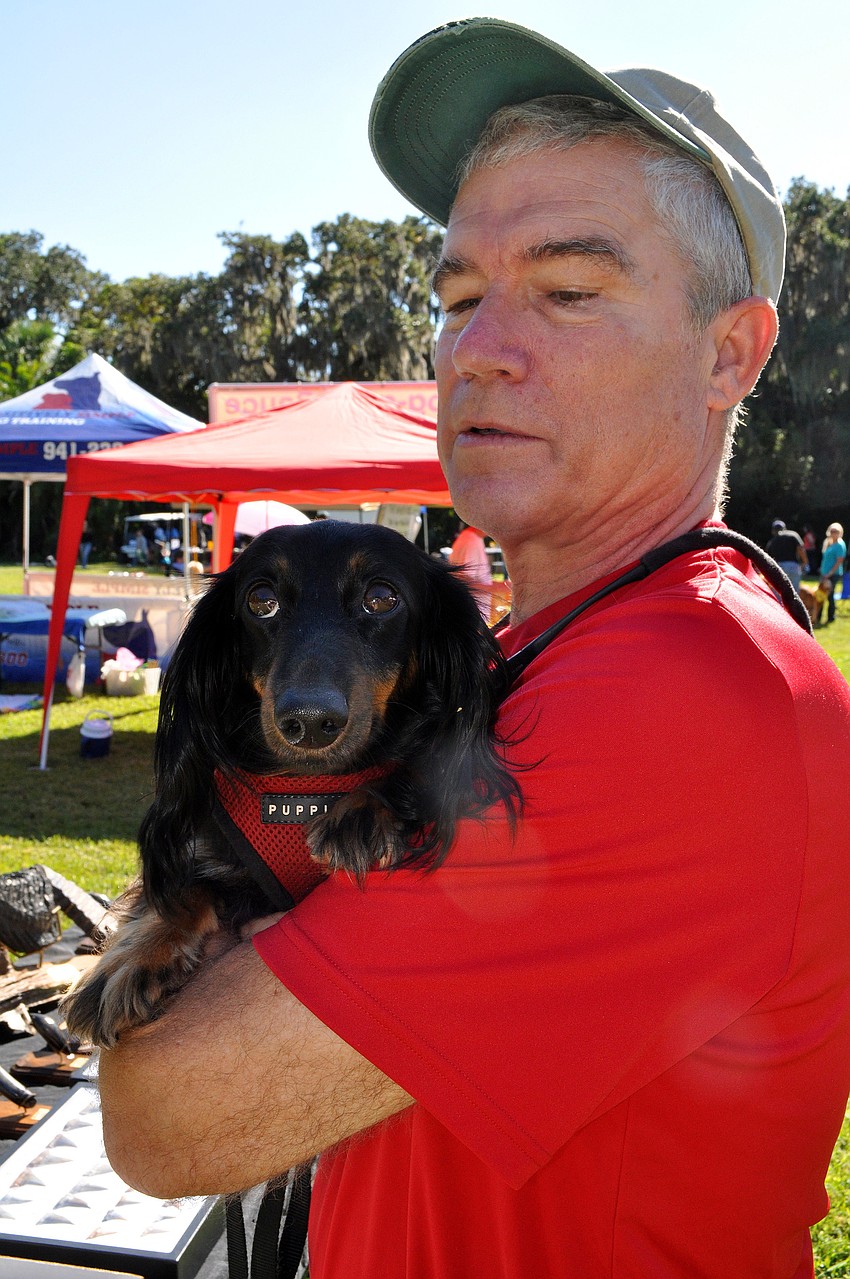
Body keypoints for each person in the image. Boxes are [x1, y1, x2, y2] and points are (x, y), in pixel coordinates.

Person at [98, 19, 850, 1279]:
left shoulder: (687, 692)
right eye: (456, 296)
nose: (477, 352)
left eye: (566, 289)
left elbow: (166, 1116)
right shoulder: (528, 656)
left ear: (730, 352)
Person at [448, 519, 493, 617]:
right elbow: (465, 582)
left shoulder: (471, 538)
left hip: (474, 613)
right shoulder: (471, 540)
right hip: (473, 614)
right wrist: (497, 588)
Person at [765, 518, 807, 593]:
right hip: (793, 566)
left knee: (778, 592)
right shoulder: (793, 535)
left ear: (773, 530)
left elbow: (768, 557)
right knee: (794, 593)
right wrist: (805, 562)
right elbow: (801, 549)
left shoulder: (772, 541)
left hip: (778, 567)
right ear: (784, 528)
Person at [818, 521, 846, 625]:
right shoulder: (828, 542)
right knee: (820, 594)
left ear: (840, 532)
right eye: (832, 531)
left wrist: (829, 573)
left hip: (833, 574)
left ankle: (831, 617)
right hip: (824, 573)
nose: (834, 533)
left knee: (830, 595)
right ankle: (818, 616)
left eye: (836, 531)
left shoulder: (840, 545)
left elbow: (839, 561)